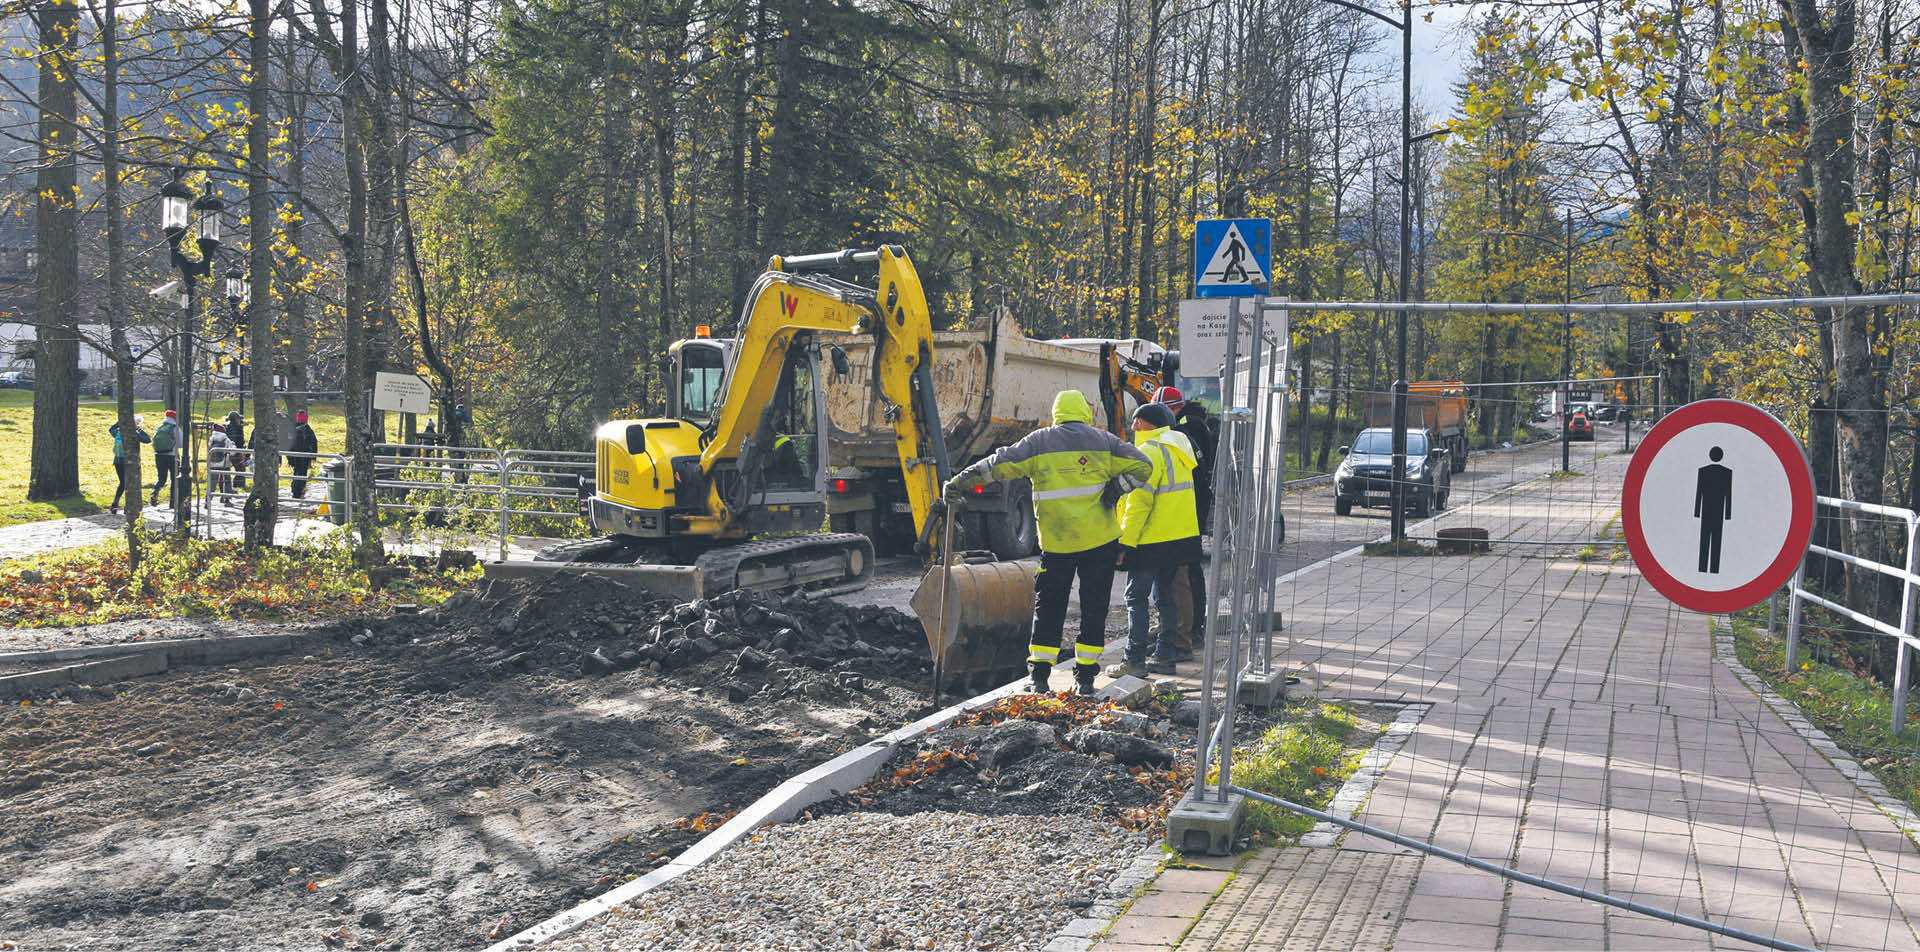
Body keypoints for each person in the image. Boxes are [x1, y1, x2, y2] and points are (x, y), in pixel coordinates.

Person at [945, 390, 1153, 695]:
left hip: (1057, 544)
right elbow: (1143, 466)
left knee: (1050, 608)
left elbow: (998, 464)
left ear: (1056, 413)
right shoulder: (1103, 441)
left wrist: (960, 480)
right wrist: (1117, 488)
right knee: (1094, 608)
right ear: (1084, 412)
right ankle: (1085, 680)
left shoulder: (1039, 442)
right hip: (1100, 542)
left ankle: (1040, 678)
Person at [1105, 402, 1202, 679]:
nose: (1134, 426)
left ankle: (1133, 660)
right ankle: (1165, 656)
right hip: (1178, 538)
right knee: (1166, 598)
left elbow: (1139, 504)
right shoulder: (1178, 450)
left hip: (1150, 539)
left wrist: (1125, 543)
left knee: (1136, 597)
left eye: (1138, 421)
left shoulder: (1148, 452)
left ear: (1151, 424)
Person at [1157, 386, 1211, 662]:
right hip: (1192, 510)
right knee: (1190, 572)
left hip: (1186, 512)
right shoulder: (1195, 426)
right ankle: (1192, 630)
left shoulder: (1185, 431)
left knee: (1187, 575)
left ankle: (1188, 632)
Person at [109, 415, 150, 514]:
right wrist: (138, 430)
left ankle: (115, 504)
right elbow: (147, 439)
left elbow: (111, 429)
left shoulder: (119, 432)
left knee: (123, 483)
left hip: (118, 460)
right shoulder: (134, 434)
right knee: (129, 483)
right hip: (129, 462)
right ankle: (127, 506)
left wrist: (121, 422)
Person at [149, 410, 180, 507]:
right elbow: (181, 443)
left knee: (161, 479)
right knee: (175, 479)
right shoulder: (175, 428)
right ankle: (173, 502)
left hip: (159, 455)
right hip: (172, 456)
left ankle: (155, 492)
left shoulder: (160, 427)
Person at [290, 410, 320, 498]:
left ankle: (295, 489)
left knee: (297, 472)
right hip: (305, 456)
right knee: (302, 473)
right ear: (306, 419)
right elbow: (314, 443)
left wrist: (290, 458)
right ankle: (298, 491)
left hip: (295, 456)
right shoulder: (308, 429)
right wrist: (313, 456)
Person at [207, 425, 235, 505]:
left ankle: (207, 501)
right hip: (224, 463)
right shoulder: (225, 438)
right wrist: (233, 445)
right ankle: (226, 500)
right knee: (227, 481)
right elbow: (233, 452)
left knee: (212, 482)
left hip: (212, 463)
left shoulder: (211, 438)